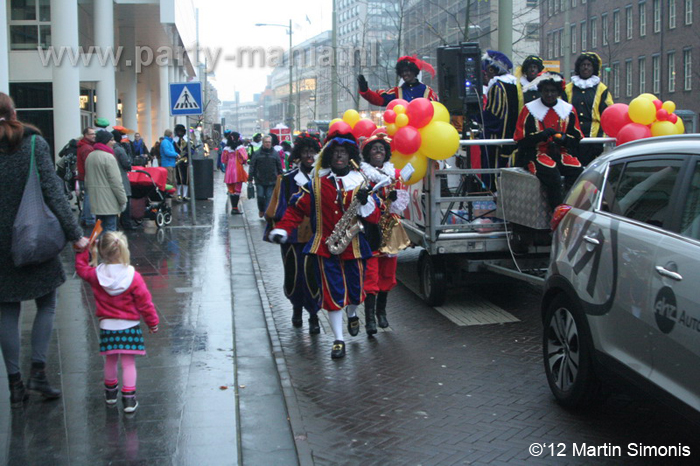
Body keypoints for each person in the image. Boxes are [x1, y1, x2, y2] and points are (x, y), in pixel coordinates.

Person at [0, 92, 89, 408]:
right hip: (33, 236)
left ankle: (14, 384)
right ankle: (38, 371)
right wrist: (76, 235)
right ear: (13, 112)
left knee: (6, 310)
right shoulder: (34, 144)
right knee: (47, 303)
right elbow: (53, 193)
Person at [268, 134, 380, 359]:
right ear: (329, 156)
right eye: (335, 152)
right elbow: (295, 209)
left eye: (344, 152)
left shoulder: (360, 182)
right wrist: (282, 228)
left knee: (356, 292)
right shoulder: (317, 184)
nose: (339, 156)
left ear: (350, 157)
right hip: (324, 247)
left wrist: (366, 200)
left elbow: (375, 217)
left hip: (354, 246)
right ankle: (338, 339)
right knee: (332, 293)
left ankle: (353, 312)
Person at [75, 231, 159, 413]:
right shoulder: (133, 276)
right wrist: (153, 323)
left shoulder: (96, 275)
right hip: (129, 326)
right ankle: (129, 400)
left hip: (108, 326)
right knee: (128, 363)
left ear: (102, 251)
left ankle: (110, 395)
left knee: (110, 361)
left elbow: (81, 269)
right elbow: (145, 303)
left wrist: (84, 251)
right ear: (123, 250)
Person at [263, 132, 322, 334]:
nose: (309, 156)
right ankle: (297, 309)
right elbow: (275, 209)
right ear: (298, 154)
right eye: (305, 152)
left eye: (313, 152)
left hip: (315, 238)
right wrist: (279, 229)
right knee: (294, 277)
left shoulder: (323, 179)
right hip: (293, 237)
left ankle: (314, 316)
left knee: (314, 278)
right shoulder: (287, 179)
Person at [359, 133, 410, 334]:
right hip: (370, 230)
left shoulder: (394, 174)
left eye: (381, 148)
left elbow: (398, 208)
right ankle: (369, 319)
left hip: (390, 228)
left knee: (387, 274)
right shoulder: (361, 175)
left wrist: (395, 198)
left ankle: (382, 313)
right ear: (367, 153)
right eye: (374, 148)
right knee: (370, 275)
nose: (378, 152)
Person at [514, 72, 584, 211]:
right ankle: (557, 214)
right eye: (546, 91)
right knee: (553, 175)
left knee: (577, 171)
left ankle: (575, 210)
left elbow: (576, 139)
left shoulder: (568, 110)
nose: (550, 94)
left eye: (553, 91)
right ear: (541, 91)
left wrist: (564, 139)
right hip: (535, 154)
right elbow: (521, 140)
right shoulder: (529, 110)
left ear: (558, 92)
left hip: (561, 153)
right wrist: (541, 136)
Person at [565, 52, 614, 166]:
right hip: (572, 138)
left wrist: (601, 138)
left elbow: (607, 114)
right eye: (583, 65)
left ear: (594, 68)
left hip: (594, 139)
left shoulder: (602, 89)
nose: (585, 67)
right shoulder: (568, 88)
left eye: (589, 65)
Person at [481, 50, 519, 173]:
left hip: (497, 138)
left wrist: (477, 117)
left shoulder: (497, 86)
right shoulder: (513, 85)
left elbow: (493, 114)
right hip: (510, 135)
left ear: (492, 69)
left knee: (493, 169)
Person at [85, 130, 128, 232]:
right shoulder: (109, 157)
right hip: (109, 200)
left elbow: (87, 179)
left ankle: (100, 247)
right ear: (105, 141)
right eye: (111, 140)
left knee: (99, 229)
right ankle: (107, 248)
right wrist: (123, 200)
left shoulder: (90, 156)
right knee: (110, 231)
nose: (114, 142)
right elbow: (116, 182)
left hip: (96, 199)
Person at [358, 56, 438, 106]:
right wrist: (365, 91)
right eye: (402, 72)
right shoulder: (396, 92)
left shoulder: (428, 91)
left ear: (414, 72)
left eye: (407, 71)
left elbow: (436, 110)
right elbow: (379, 100)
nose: (404, 74)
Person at [249, 135, 283, 218]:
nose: (268, 144)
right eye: (266, 142)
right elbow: (252, 166)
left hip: (272, 180)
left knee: (269, 198)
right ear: (263, 143)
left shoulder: (275, 154)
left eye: (269, 142)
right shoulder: (257, 154)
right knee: (260, 196)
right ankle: (261, 209)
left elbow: (279, 166)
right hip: (259, 179)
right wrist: (250, 178)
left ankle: (267, 214)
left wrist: (281, 177)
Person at [111, 129, 137, 230]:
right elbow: (127, 163)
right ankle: (126, 222)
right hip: (121, 176)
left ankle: (118, 222)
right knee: (125, 199)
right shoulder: (119, 149)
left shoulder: (108, 149)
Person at [221, 131, 249, 214]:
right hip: (238, 170)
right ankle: (235, 208)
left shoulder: (226, 149)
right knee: (237, 190)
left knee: (231, 190)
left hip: (229, 171)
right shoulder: (240, 147)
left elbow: (223, 160)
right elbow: (245, 158)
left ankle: (233, 208)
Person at [77, 127, 97, 227]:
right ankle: (89, 219)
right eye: (91, 134)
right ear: (85, 135)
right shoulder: (87, 148)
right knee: (90, 197)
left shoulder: (85, 146)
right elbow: (89, 164)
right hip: (87, 176)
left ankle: (85, 218)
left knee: (87, 197)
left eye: (94, 134)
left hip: (84, 176)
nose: (94, 136)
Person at [173, 124, 190, 201]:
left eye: (181, 131)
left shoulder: (187, 140)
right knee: (178, 178)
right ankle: (179, 194)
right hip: (177, 161)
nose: (180, 133)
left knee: (186, 179)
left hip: (185, 161)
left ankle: (185, 195)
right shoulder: (174, 141)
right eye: (179, 131)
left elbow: (191, 150)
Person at [160, 129, 178, 194]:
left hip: (171, 164)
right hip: (167, 164)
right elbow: (167, 152)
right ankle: (168, 197)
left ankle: (173, 197)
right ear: (170, 135)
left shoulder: (169, 142)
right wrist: (176, 155)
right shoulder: (165, 142)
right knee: (169, 181)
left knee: (173, 181)